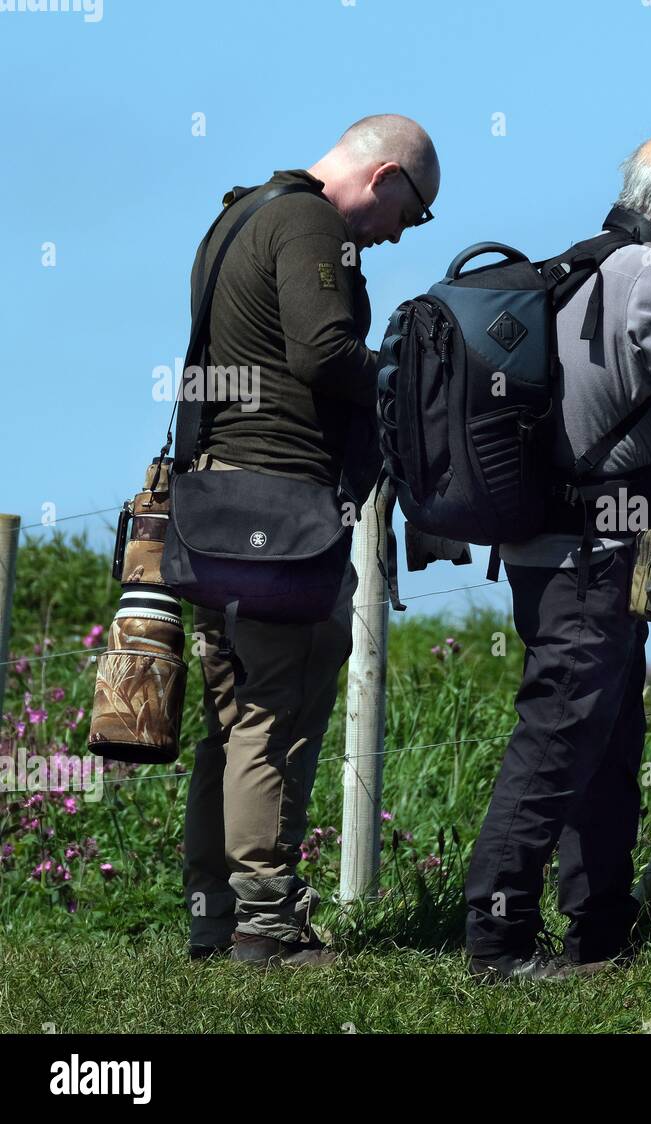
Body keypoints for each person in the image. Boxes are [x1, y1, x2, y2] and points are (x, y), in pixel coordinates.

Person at [464, 127, 651, 981]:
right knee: (557, 745)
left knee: (604, 741)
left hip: (553, 549)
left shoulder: (580, 266)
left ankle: (600, 929)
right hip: (593, 556)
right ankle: (498, 942)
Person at [183, 115, 439, 968]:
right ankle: (269, 926)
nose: (403, 231)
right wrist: (412, 386)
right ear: (387, 175)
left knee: (232, 716)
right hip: (278, 515)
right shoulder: (309, 222)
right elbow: (325, 351)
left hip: (215, 502)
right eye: (414, 210)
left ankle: (213, 917)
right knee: (274, 714)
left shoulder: (240, 212)